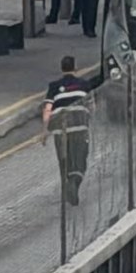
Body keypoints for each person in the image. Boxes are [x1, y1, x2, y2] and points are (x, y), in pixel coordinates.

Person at [43, 55, 92, 205]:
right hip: (79, 127)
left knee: (64, 160)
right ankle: (74, 182)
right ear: (75, 68)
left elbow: (47, 108)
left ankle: (67, 183)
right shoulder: (84, 85)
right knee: (79, 161)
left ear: (61, 69)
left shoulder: (54, 86)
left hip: (60, 130)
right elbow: (91, 106)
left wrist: (45, 131)